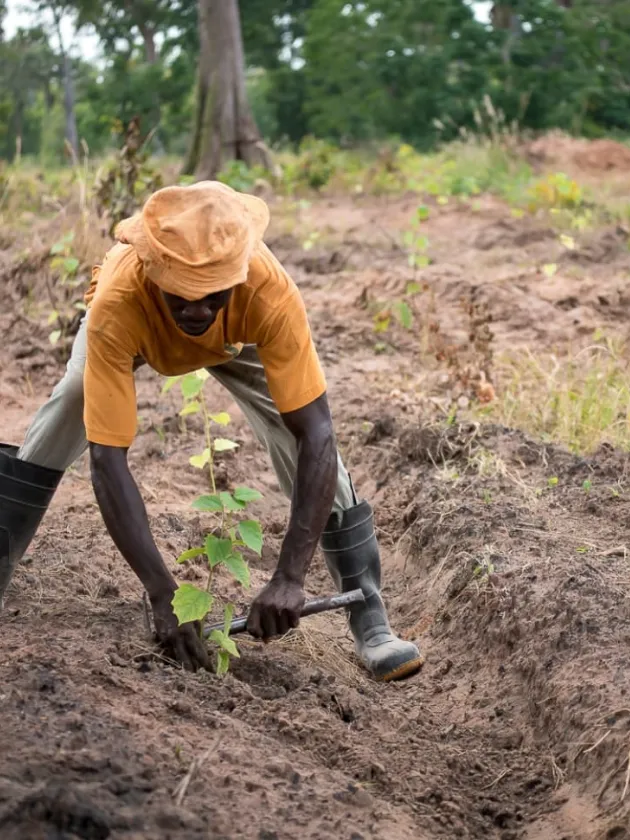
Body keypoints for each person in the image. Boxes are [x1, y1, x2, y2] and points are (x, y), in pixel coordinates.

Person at [0, 181, 423, 682]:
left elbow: (317, 433)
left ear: (237, 274)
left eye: (212, 293)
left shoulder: (266, 290)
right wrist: (163, 593)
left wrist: (290, 576)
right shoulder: (121, 299)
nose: (197, 308)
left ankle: (370, 619)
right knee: (74, 398)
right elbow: (107, 460)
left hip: (235, 338)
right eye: (181, 293)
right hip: (138, 332)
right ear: (155, 273)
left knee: (296, 435)